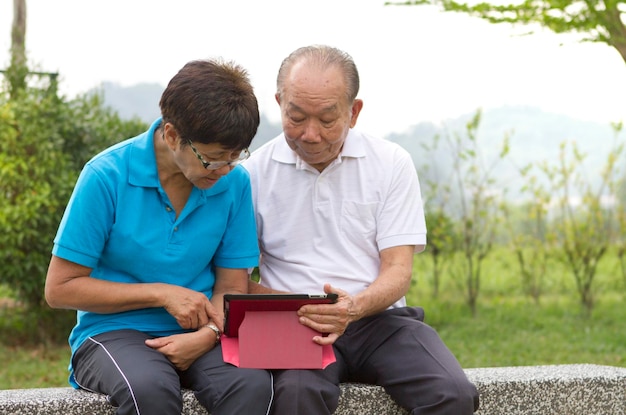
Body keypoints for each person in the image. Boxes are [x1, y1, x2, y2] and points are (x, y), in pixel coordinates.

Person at [243, 45, 480, 415]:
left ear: (354, 112)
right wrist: (298, 306)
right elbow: (236, 278)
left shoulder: (391, 163)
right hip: (293, 321)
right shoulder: (251, 174)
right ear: (279, 102)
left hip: (380, 319)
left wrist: (353, 307)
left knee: (453, 394)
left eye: (326, 119)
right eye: (297, 117)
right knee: (296, 395)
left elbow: (399, 270)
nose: (310, 134)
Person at [44, 58, 273, 415]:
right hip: (112, 332)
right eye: (213, 159)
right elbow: (60, 289)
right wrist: (162, 294)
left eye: (236, 156)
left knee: (252, 385)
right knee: (149, 391)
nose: (226, 169)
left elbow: (231, 286)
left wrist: (209, 335)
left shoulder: (233, 184)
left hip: (204, 330)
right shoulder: (105, 176)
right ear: (171, 135)